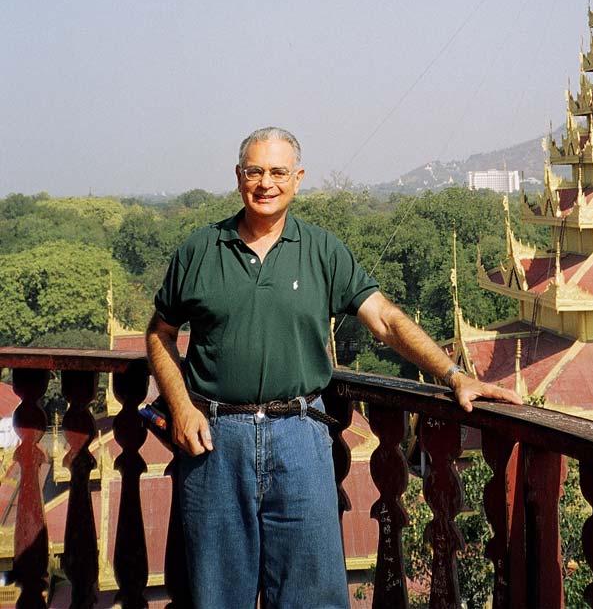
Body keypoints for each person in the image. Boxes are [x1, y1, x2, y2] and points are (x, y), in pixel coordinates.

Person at [146, 126, 523, 609]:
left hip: (299, 435)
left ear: (298, 179)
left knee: (312, 594)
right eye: (255, 171)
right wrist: (179, 405)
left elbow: (385, 320)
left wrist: (454, 376)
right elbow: (159, 334)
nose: (266, 183)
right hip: (216, 437)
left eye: (278, 172)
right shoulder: (201, 250)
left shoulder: (322, 250)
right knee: (215, 595)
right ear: (238, 177)